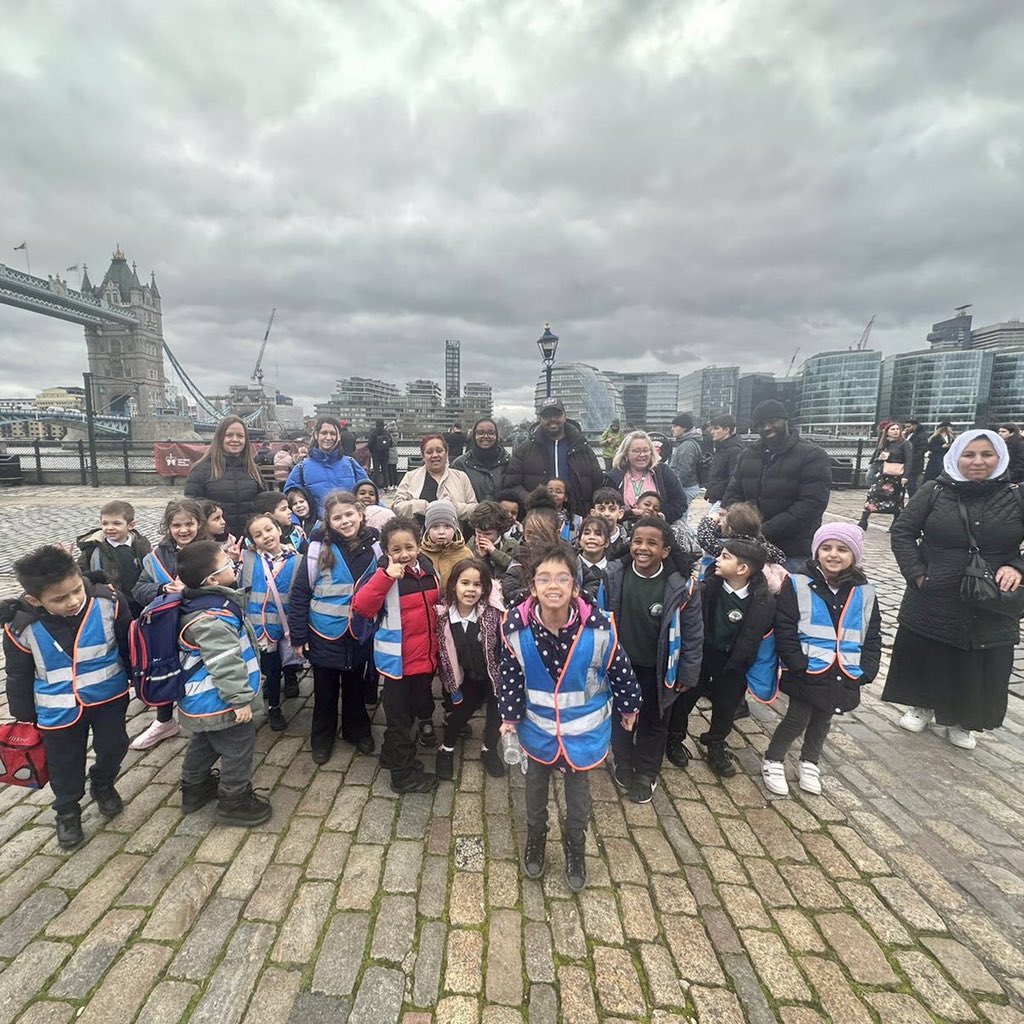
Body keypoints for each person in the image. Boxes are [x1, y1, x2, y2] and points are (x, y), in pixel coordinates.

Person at [499, 542, 641, 890]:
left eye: (562, 579)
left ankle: (575, 844)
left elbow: (619, 669)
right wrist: (509, 717)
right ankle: (537, 836)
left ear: (575, 587)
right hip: (538, 731)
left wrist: (629, 706)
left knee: (578, 797)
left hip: (582, 735)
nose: (553, 586)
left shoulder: (599, 630)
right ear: (532, 587)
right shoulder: (516, 629)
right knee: (534, 791)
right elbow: (511, 675)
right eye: (544, 579)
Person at [883, 429, 1024, 749]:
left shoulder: (1016, 495)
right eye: (969, 454)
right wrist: (918, 574)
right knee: (932, 649)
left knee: (976, 657)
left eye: (986, 455)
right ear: (956, 457)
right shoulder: (935, 490)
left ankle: (965, 718)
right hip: (936, 591)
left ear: (1000, 457)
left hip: (990, 598)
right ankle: (923, 704)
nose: (978, 461)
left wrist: (1017, 566)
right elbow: (903, 531)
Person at [2, 546, 131, 849]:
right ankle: (67, 810)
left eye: (76, 591)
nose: (73, 601)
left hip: (108, 696)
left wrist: (140, 678)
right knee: (64, 763)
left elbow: (127, 644)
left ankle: (102, 781)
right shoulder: (20, 627)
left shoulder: (107, 603)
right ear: (35, 600)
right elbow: (18, 674)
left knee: (115, 747)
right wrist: (25, 716)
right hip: (56, 710)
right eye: (59, 599)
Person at [762, 524, 880, 796]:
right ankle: (774, 758)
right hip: (809, 666)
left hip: (844, 668)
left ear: (854, 554)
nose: (833, 554)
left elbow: (871, 633)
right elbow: (786, 625)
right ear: (816, 552)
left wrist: (867, 668)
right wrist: (796, 662)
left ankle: (810, 760)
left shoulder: (864, 591)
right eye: (826, 548)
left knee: (824, 718)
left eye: (842, 549)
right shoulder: (798, 583)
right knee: (797, 717)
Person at [605, 518, 703, 803]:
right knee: (621, 718)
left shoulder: (682, 586)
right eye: (637, 541)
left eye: (652, 543)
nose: (643, 548)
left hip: (660, 669)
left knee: (654, 721)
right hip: (622, 667)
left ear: (666, 551)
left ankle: (646, 771)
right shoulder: (615, 575)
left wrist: (687, 672)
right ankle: (623, 761)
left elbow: (694, 633)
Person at [176, 541, 271, 826]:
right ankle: (234, 799)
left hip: (202, 703)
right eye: (227, 563)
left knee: (205, 740)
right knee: (239, 746)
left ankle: (193, 788)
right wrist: (239, 700)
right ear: (213, 580)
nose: (233, 562)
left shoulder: (200, 602)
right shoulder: (212, 619)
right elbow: (225, 661)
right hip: (220, 700)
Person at [667, 537, 777, 776]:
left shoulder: (763, 600)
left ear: (742, 569)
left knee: (726, 706)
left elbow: (761, 634)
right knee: (685, 699)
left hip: (735, 662)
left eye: (725, 556)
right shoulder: (707, 589)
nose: (717, 559)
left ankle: (715, 743)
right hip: (703, 656)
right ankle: (674, 738)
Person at [352, 516, 441, 792]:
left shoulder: (428, 570)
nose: (404, 555)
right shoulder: (383, 575)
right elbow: (362, 606)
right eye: (396, 550)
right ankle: (404, 777)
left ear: (418, 545)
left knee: (410, 713)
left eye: (409, 547)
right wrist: (387, 577)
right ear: (386, 552)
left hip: (424, 659)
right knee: (399, 719)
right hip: (397, 663)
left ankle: (391, 755)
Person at [289, 491, 379, 762]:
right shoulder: (317, 550)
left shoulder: (376, 547)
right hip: (324, 632)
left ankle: (356, 729)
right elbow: (301, 593)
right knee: (325, 692)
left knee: (355, 687)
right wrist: (298, 634)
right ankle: (322, 738)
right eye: (337, 517)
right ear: (328, 521)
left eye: (350, 514)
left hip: (360, 632)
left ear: (361, 515)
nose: (345, 521)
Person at [131, 498, 209, 751]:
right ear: (168, 526)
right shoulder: (155, 557)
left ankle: (207, 716)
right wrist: (163, 588)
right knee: (164, 669)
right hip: (165, 628)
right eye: (177, 525)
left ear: (199, 524)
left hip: (200, 626)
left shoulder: (211, 551)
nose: (183, 529)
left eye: (189, 523)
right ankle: (164, 720)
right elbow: (139, 589)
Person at [722, 400, 831, 572]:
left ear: (785, 420)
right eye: (760, 424)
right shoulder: (748, 455)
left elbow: (810, 505)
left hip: (792, 549)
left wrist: (761, 531)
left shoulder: (812, 455)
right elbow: (733, 494)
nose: (766, 428)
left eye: (772, 421)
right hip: (749, 548)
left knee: (788, 595)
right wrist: (742, 525)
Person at [435, 558, 506, 781]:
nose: (471, 589)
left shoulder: (492, 614)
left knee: (496, 716)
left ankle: (489, 749)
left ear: (485, 589)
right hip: (468, 676)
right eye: (465, 583)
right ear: (454, 585)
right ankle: (446, 749)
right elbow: (445, 653)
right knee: (460, 713)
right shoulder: (444, 615)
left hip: (494, 676)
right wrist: (451, 683)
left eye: (477, 585)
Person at [241, 511, 302, 732]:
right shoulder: (248, 559)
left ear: (279, 529)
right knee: (272, 669)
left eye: (268, 529)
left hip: (285, 626)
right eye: (258, 534)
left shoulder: (297, 560)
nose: (265, 536)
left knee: (288, 664)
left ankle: (284, 689)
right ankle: (274, 707)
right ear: (252, 540)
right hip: (260, 628)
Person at [504, 398, 604, 519]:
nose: (552, 419)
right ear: (540, 419)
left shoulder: (583, 449)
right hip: (537, 518)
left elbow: (598, 484)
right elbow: (511, 484)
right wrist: (531, 500)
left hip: (578, 516)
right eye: (547, 416)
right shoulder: (525, 450)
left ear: (564, 416)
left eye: (556, 414)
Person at [184, 415, 266, 538]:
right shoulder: (200, 469)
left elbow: (263, 505)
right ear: (220, 438)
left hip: (249, 541)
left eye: (240, 436)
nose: (235, 439)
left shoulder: (253, 470)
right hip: (215, 542)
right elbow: (191, 509)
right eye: (229, 435)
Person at [75, 499, 152, 615]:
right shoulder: (93, 549)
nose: (109, 528)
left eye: (116, 523)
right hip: (110, 603)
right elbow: (78, 573)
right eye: (105, 523)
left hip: (138, 603)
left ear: (131, 525)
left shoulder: (142, 546)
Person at [285, 417, 368, 517]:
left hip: (350, 524)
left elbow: (369, 494)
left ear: (339, 436)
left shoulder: (351, 464)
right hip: (320, 528)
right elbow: (288, 502)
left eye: (332, 433)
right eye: (324, 433)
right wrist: (296, 523)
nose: (328, 438)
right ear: (316, 435)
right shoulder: (301, 468)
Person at [393, 434, 477, 524]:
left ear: (446, 453)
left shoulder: (461, 477)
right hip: (418, 535)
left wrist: (453, 508)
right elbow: (396, 507)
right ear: (423, 456)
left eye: (439, 451)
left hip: (454, 536)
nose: (435, 455)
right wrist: (420, 506)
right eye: (429, 452)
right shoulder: (410, 477)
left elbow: (474, 509)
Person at [607, 430, 687, 524]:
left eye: (646, 450)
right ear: (626, 454)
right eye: (636, 451)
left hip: (657, 528)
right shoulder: (614, 477)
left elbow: (680, 502)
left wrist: (660, 516)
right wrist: (629, 513)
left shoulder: (663, 472)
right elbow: (608, 508)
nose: (642, 455)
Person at [857, 422, 909, 531]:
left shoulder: (905, 444)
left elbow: (909, 461)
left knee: (896, 500)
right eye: (892, 429)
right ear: (887, 432)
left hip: (896, 477)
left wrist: (906, 476)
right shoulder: (884, 444)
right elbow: (876, 460)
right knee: (872, 495)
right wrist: (880, 459)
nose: (895, 431)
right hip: (882, 476)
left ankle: (895, 523)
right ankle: (863, 521)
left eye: (897, 429)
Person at [452, 418, 510, 501]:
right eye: (480, 433)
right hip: (472, 513)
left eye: (491, 433)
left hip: (502, 513)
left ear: (497, 436)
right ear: (474, 436)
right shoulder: (460, 464)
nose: (485, 436)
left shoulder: (509, 461)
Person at [421, 500, 473, 588]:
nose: (441, 532)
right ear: (428, 529)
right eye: (435, 527)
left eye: (447, 527)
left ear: (455, 528)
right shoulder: (420, 555)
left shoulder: (465, 553)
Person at [704, 415, 744, 504]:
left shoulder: (734, 450)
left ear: (727, 430)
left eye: (716, 428)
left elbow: (734, 479)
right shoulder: (721, 448)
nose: (712, 432)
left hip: (723, 500)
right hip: (717, 497)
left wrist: (725, 503)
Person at [469, 501, 517, 574]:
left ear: (499, 531)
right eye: (478, 532)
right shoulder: (471, 543)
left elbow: (514, 566)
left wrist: (494, 552)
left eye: (487, 534)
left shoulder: (510, 545)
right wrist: (479, 556)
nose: (482, 537)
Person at [668, 413, 705, 508]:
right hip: (687, 486)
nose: (672, 429)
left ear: (684, 428)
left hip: (685, 488)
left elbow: (683, 471)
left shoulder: (687, 446)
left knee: (679, 517)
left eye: (675, 426)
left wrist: (673, 489)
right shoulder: (686, 443)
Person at [576, 515, 612, 607]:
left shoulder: (614, 570)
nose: (592, 537)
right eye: (587, 533)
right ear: (579, 540)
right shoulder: (570, 566)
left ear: (607, 542)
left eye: (598, 534)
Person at [589, 486, 630, 560]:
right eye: (601, 509)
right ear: (593, 513)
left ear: (620, 513)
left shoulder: (629, 543)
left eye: (612, 509)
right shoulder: (584, 541)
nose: (606, 514)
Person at [902, 419, 929, 497]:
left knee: (912, 483)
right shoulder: (908, 435)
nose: (906, 428)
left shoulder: (921, 436)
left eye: (908, 426)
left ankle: (913, 498)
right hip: (908, 462)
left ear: (914, 426)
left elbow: (922, 449)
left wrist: (911, 458)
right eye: (905, 427)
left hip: (915, 463)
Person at [368, 419, 394, 487]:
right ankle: (386, 484)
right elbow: (391, 443)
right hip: (385, 454)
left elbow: (370, 444)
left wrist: (372, 451)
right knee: (385, 470)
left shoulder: (374, 433)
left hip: (376, 454)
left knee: (376, 470)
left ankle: (377, 484)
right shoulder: (386, 432)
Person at [385, 420, 400, 488]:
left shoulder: (388, 435)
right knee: (394, 469)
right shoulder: (396, 435)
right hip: (395, 451)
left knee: (389, 470)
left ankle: (391, 484)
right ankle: (396, 484)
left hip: (389, 452)